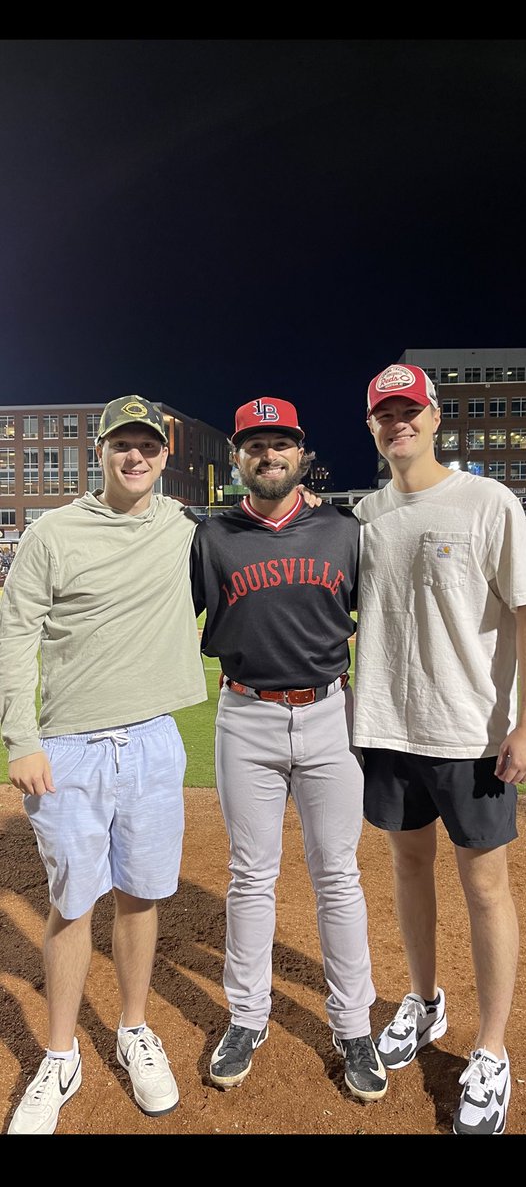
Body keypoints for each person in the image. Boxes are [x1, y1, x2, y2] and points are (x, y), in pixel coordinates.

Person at [352, 363, 526, 1135]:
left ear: (434, 417)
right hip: (389, 729)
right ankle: (425, 1002)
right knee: (408, 867)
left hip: (471, 735)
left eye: (410, 410)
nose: (397, 422)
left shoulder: (486, 501)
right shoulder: (366, 515)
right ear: (372, 426)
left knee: (487, 888)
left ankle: (492, 1048)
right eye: (384, 413)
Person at [0, 395, 207, 1135]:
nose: (135, 457)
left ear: (162, 453)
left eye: (146, 446)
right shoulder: (54, 532)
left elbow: (265, 525)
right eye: (122, 444)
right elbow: (14, 630)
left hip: (153, 741)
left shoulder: (182, 527)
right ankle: (60, 1053)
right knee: (72, 901)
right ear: (101, 451)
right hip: (70, 749)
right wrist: (19, 737)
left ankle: (133, 1027)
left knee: (143, 895)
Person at [191, 396, 387, 1103]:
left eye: (279, 443)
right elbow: (168, 622)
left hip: (330, 712)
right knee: (251, 877)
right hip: (245, 717)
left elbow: (382, 622)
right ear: (238, 458)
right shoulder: (211, 537)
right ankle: (247, 1017)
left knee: (338, 876)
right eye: (253, 445)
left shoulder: (344, 530)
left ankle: (353, 1024)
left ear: (300, 453)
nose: (266, 455)